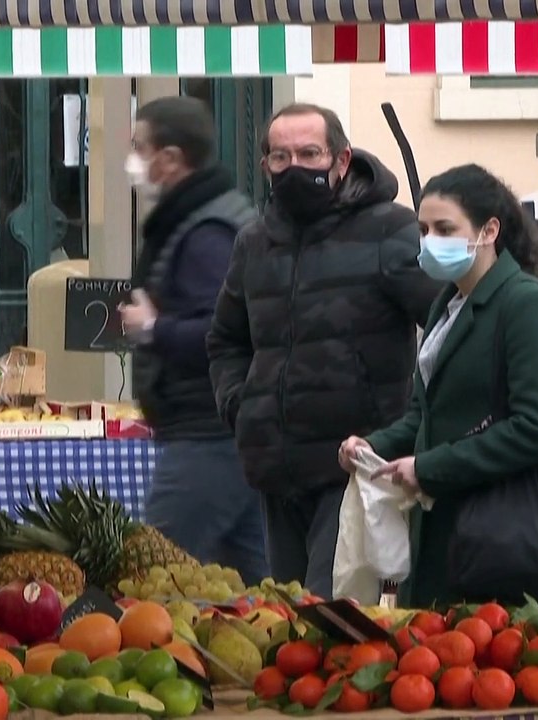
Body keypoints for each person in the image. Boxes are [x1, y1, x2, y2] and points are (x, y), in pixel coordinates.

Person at [206, 103, 441, 599]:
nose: (295, 167)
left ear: (341, 159)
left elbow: (446, 326)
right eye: (280, 157)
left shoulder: (389, 230)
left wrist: (411, 425)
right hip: (276, 468)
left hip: (351, 467)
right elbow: (226, 339)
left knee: (327, 612)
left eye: (310, 153)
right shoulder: (254, 243)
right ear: (266, 164)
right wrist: (240, 405)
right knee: (290, 614)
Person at [338, 164, 538, 608]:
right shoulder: (448, 303)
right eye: (423, 229)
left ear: (489, 230)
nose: (430, 241)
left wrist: (429, 469)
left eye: (445, 228)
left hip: (503, 538)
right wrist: (372, 446)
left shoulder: (525, 304)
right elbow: (427, 413)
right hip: (441, 535)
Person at [120, 96, 269, 587]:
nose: (133, 160)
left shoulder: (207, 231)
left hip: (208, 431)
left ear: (170, 158)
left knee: (153, 575)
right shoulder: (200, 217)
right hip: (222, 429)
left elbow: (223, 328)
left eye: (140, 147)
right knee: (250, 582)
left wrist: (153, 329)